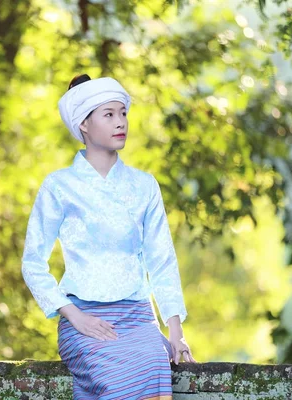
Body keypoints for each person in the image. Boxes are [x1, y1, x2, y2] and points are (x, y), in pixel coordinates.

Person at [21, 74, 196, 400]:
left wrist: (175, 330)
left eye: (123, 113)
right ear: (84, 125)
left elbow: (161, 260)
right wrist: (73, 315)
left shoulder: (144, 186)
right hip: (84, 321)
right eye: (109, 114)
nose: (121, 123)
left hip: (139, 320)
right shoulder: (59, 186)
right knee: (115, 379)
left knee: (154, 371)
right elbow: (32, 263)